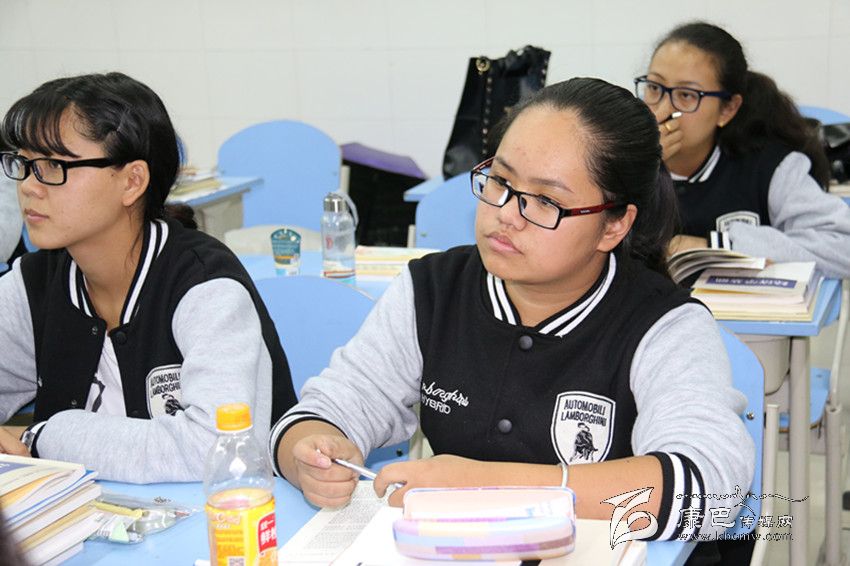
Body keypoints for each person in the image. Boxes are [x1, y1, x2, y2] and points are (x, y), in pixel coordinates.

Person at [272, 78, 753, 542]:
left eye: (545, 200)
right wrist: (308, 451)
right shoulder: (432, 290)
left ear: (613, 226)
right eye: (500, 181)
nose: (505, 213)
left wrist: (484, 486)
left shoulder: (664, 325)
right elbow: (331, 408)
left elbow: (710, 490)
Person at [0, 72, 297, 482]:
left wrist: (43, 437)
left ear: (132, 181)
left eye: (54, 165)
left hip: (232, 515)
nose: (30, 187)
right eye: (23, 164)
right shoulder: (34, 284)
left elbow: (216, 448)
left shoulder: (205, 287)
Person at [636, 21, 850, 278]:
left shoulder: (769, 167)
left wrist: (720, 246)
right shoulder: (623, 161)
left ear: (727, 109)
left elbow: (842, 245)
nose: (662, 110)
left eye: (687, 95)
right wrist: (638, 169)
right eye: (654, 88)